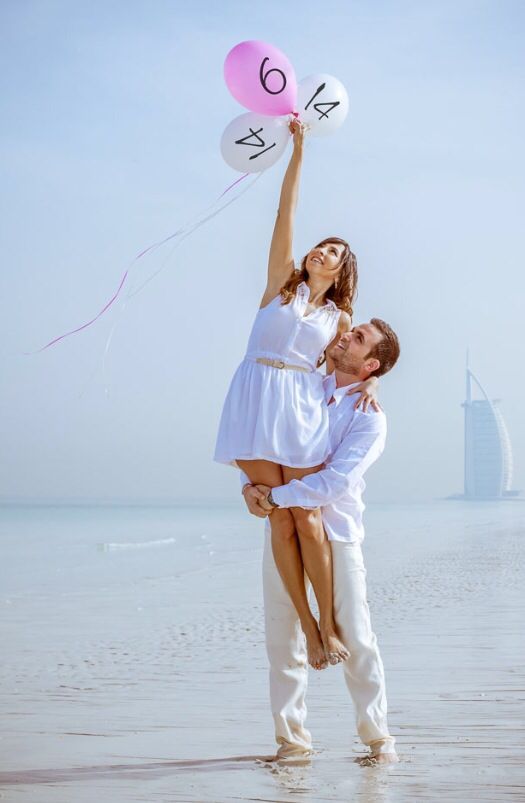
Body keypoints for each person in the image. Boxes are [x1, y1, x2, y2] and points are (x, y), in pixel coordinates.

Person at [214, 118, 378, 671]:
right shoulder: (278, 285)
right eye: (320, 245)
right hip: (256, 397)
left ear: (342, 269)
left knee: (306, 517)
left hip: (301, 408)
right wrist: (297, 151)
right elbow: (285, 213)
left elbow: (349, 367)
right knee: (278, 520)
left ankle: (329, 622)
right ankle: (310, 632)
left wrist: (373, 380)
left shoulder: (341, 317)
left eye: (333, 252)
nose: (321, 252)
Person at [241, 319, 401, 764]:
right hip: (281, 529)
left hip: (337, 534)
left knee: (357, 636)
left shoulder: (369, 417)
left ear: (370, 365)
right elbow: (261, 438)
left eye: (359, 337)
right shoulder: (301, 387)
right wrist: (250, 487)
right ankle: (292, 743)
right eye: (353, 329)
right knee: (281, 635)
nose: (346, 335)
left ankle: (378, 740)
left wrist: (274, 496)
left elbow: (335, 482)